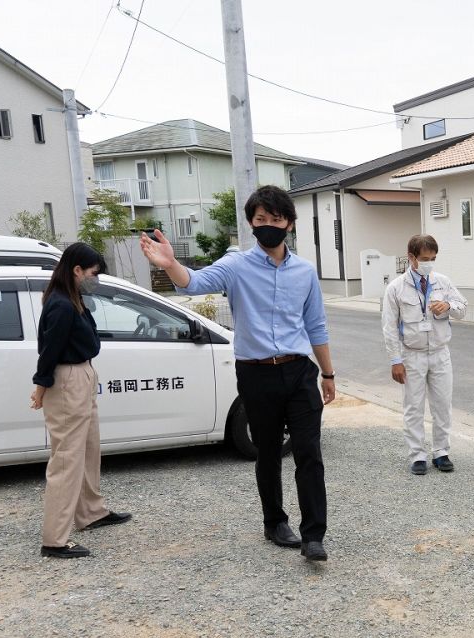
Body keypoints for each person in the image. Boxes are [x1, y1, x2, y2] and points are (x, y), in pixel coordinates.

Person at [139, 186, 336, 562]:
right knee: (268, 453)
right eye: (260, 220)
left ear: (289, 224)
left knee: (309, 452)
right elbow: (193, 283)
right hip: (256, 373)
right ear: (251, 223)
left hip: (299, 372)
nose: (268, 226)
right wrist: (170, 265)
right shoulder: (236, 266)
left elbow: (317, 326)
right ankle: (275, 522)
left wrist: (328, 374)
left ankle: (314, 535)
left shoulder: (305, 272)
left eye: (275, 220)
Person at [30, 243, 132, 558]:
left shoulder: (72, 299)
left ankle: (91, 511)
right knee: (66, 460)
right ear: (76, 271)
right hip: (68, 380)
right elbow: (49, 350)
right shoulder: (61, 304)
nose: (96, 279)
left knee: (89, 449)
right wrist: (41, 385)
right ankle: (54, 539)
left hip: (82, 375)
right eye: (93, 273)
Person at [381, 234, 468, 475]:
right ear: (411, 258)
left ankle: (441, 452)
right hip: (412, 355)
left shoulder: (442, 282)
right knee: (413, 406)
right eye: (425, 258)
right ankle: (417, 455)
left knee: (442, 404)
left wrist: (448, 306)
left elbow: (464, 308)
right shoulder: (396, 288)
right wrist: (395, 360)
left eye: (433, 258)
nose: (429, 263)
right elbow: (389, 327)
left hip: (440, 353)